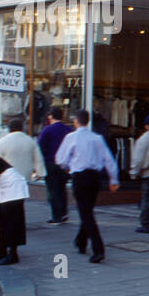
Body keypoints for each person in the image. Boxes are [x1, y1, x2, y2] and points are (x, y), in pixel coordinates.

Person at [54, 109, 120, 264]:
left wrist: (68, 166)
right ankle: (80, 241)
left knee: (86, 213)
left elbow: (60, 159)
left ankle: (98, 248)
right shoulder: (97, 138)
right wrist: (114, 179)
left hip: (80, 177)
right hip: (94, 178)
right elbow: (109, 160)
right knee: (87, 210)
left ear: (76, 121)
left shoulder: (72, 137)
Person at [38, 107, 72, 223]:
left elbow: (40, 147)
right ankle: (63, 213)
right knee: (62, 189)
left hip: (50, 163)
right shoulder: (68, 129)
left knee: (53, 190)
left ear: (50, 116)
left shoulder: (47, 130)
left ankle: (56, 215)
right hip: (65, 164)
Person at [0, 117, 46, 182]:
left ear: (9, 128)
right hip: (25, 178)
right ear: (22, 128)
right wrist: (40, 174)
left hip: (7, 179)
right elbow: (38, 160)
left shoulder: (2, 142)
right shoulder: (30, 141)